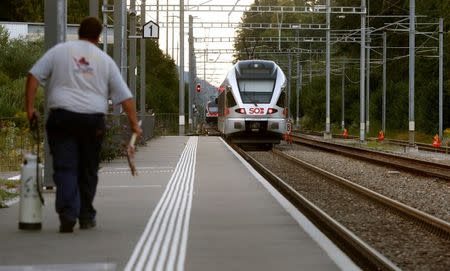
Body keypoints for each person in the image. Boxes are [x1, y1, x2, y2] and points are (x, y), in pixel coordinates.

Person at [25, 17, 142, 233]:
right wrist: (135, 125)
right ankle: (86, 215)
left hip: (62, 118)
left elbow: (33, 76)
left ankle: (68, 213)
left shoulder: (60, 51)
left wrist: (30, 108)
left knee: (65, 166)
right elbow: (125, 97)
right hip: (92, 121)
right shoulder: (104, 60)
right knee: (88, 168)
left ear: (78, 32)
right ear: (99, 36)